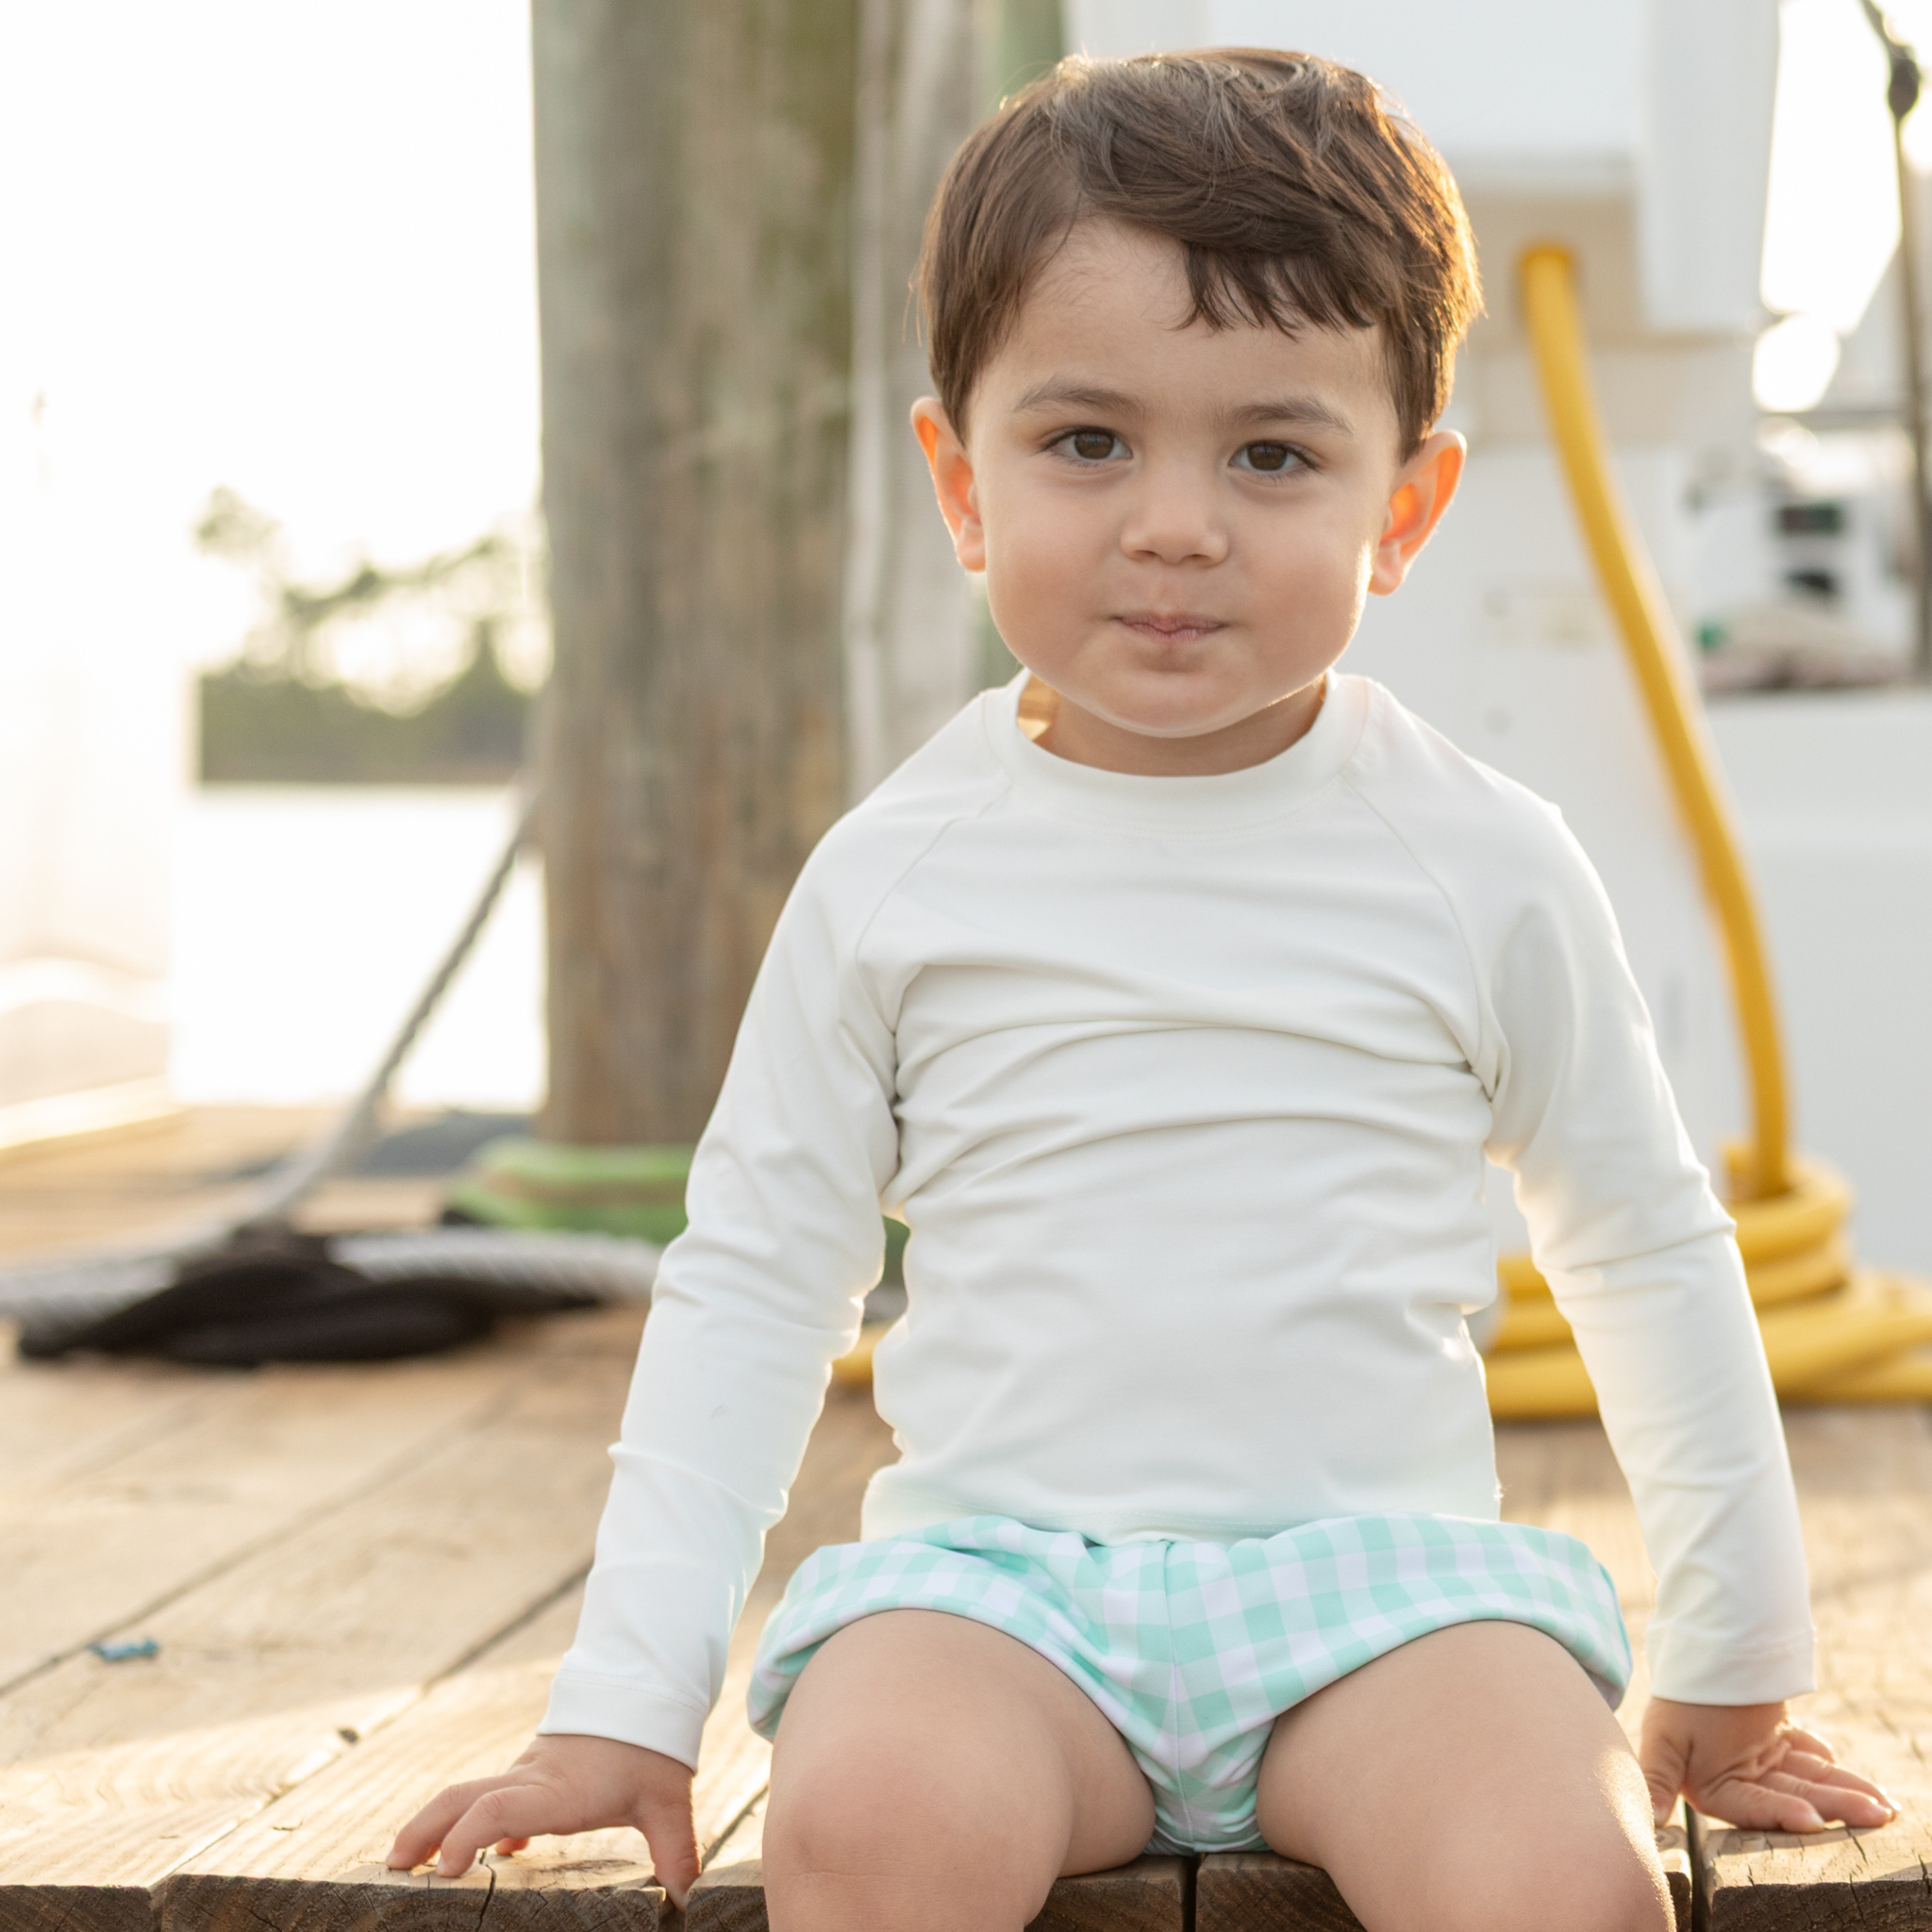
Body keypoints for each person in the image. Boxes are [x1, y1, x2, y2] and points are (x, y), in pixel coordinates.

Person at [389, 50, 1894, 1931]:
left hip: (1386, 1602)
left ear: (1404, 508)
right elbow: (757, 1280)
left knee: (1557, 1875)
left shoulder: (1482, 858)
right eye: (1088, 442)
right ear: (962, 482)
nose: (1176, 523)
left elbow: (1647, 1246)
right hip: (997, 1601)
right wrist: (623, 1704)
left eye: (1272, 454)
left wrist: (1735, 1653)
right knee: (864, 1828)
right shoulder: (893, 874)